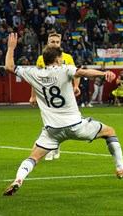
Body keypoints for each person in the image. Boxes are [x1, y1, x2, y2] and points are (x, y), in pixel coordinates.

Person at [3, 33, 123, 196]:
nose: (62, 60)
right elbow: (83, 73)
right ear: (56, 59)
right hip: (75, 125)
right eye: (61, 58)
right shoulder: (64, 70)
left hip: (52, 130)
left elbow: (9, 67)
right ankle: (121, 168)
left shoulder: (34, 73)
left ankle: (18, 179)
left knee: (34, 157)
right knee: (110, 132)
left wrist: (11, 48)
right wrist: (103, 74)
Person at [31, 33, 79, 161]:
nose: (55, 44)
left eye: (57, 42)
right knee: (50, 122)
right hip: (48, 96)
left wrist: (76, 86)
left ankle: (54, 146)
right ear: (48, 43)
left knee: (63, 123)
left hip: (64, 96)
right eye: (53, 42)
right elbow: (36, 79)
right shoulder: (41, 59)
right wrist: (33, 96)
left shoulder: (67, 58)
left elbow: (76, 73)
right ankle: (52, 147)